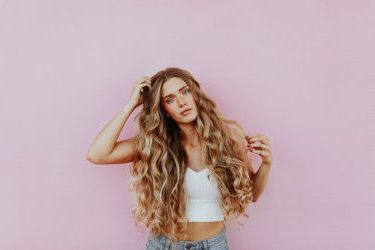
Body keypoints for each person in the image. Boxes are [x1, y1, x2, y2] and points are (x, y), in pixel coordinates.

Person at [86, 67, 273, 250]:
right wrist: (133, 103)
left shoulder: (229, 138)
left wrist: (266, 163)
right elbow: (97, 154)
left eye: (185, 92)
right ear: (164, 109)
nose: (182, 102)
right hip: (163, 245)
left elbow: (252, 195)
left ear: (195, 94)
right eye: (170, 100)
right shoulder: (155, 145)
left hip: (213, 245)